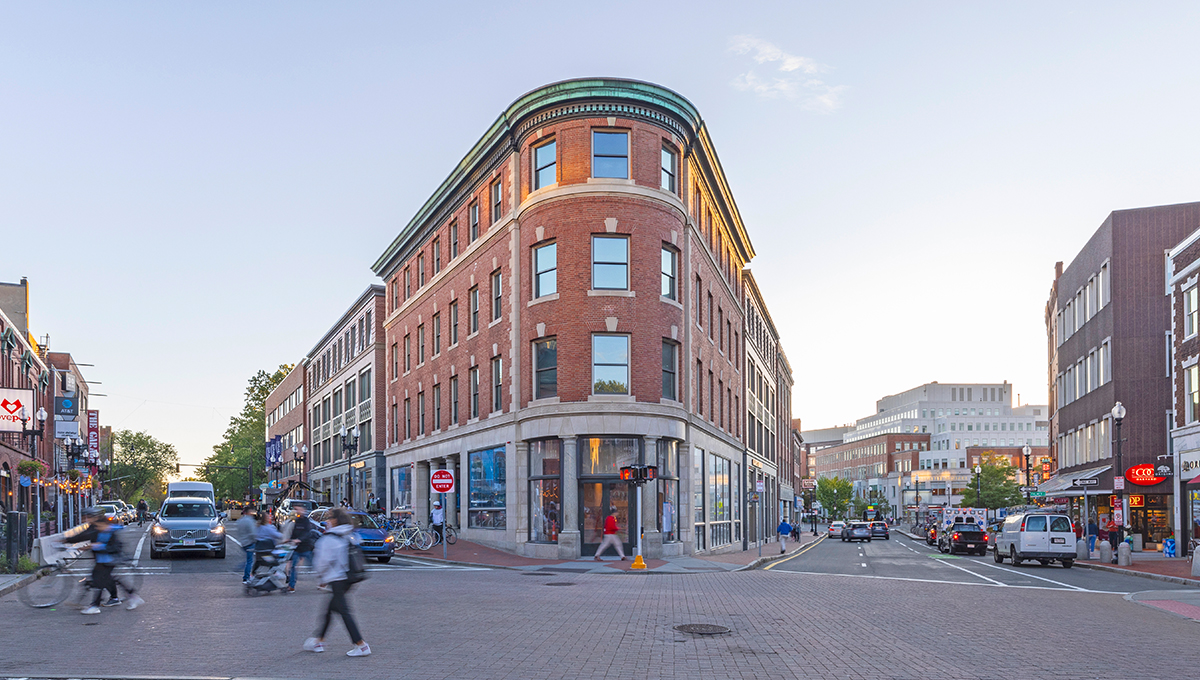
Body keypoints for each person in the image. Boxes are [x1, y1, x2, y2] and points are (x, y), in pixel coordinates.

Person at [304, 507, 370, 656]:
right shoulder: (349, 533)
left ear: (335, 520)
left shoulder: (329, 538)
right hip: (350, 577)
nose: (326, 520)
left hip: (336, 578)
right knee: (330, 608)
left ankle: (361, 644)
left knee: (344, 611)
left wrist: (321, 578)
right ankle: (318, 640)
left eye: (329, 517)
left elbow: (322, 562)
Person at [73, 507, 143, 614]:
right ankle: (130, 596)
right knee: (106, 579)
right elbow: (85, 536)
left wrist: (96, 546)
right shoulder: (99, 529)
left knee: (99, 581)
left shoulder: (109, 532)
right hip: (102, 560)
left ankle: (95, 606)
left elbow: (112, 547)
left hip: (109, 559)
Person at [283, 505, 319, 593]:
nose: (297, 512)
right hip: (297, 549)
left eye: (298, 510)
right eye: (296, 510)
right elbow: (294, 532)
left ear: (303, 510)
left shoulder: (306, 521)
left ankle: (325, 581)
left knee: (315, 566)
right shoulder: (297, 521)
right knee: (293, 567)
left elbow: (307, 533)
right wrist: (289, 540)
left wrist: (299, 539)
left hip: (306, 548)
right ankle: (291, 586)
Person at [234, 506, 258, 584]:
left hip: (243, 542)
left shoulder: (240, 521)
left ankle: (243, 570)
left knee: (248, 559)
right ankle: (246, 577)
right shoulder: (250, 521)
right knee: (250, 561)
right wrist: (257, 540)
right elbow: (253, 533)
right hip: (250, 542)